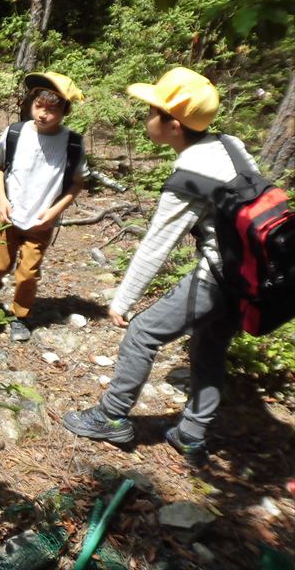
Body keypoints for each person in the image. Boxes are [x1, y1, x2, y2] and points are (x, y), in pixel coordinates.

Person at [63, 68, 256, 468]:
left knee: (142, 333)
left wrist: (123, 301)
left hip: (219, 276)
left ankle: (111, 417)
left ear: (173, 125)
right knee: (209, 347)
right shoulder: (231, 145)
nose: (146, 117)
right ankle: (192, 434)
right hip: (252, 276)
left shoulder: (190, 176)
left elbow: (156, 245)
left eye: (152, 111)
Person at [0, 72, 86, 342]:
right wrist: (2, 199)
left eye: (52, 109)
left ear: (65, 111)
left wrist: (54, 212)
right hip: (5, 214)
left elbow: (77, 183)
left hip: (41, 221)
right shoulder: (15, 133)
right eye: (39, 106)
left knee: (28, 273)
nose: (43, 114)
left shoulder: (73, 143)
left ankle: (21, 316)